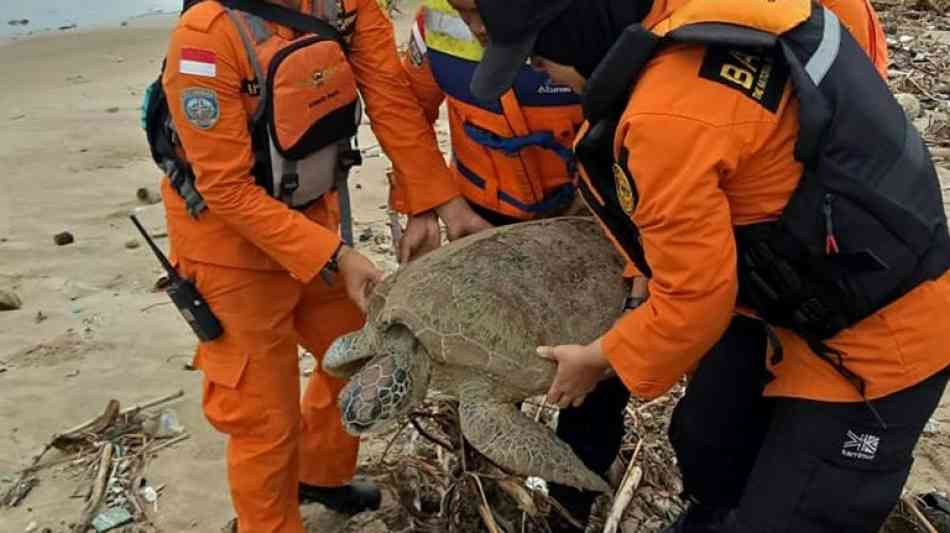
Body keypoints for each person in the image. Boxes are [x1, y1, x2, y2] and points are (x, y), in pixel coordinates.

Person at [467, 0, 950, 532]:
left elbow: (695, 303)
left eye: (539, 60)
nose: (542, 75)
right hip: (782, 295)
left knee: (802, 513)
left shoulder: (663, 121)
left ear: (576, 32)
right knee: (706, 438)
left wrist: (600, 357)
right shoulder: (689, 17)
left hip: (878, 338)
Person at [155, 0, 475, 531]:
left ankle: (321, 473)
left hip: (312, 219)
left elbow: (390, 98)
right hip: (228, 247)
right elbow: (226, 190)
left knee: (356, 350)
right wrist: (335, 255)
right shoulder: (205, 37)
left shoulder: (345, 5)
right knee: (264, 417)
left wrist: (438, 202)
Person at [395, 0, 630, 526]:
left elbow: (636, 117)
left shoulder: (585, 20)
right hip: (481, 226)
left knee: (596, 382)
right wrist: (428, 202)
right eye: (464, 10)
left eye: (482, 10)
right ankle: (493, 493)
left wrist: (595, 206)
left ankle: (571, 504)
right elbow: (405, 109)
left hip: (590, 229)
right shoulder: (434, 20)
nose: (477, 27)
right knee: (479, 378)